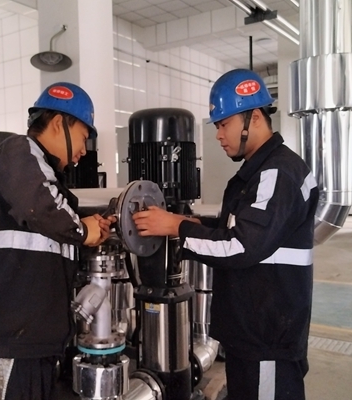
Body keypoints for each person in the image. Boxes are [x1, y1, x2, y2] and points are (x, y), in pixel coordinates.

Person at [133, 69, 319, 400]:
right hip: (251, 331)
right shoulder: (258, 172)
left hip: (266, 338)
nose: (218, 135)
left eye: (223, 124)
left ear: (254, 117)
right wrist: (189, 221)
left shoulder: (276, 173)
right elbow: (239, 229)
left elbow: (241, 246)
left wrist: (177, 227)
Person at [0, 82, 115, 400]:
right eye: (83, 137)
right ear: (58, 123)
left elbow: (51, 223)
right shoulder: (18, 150)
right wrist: (81, 230)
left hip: (33, 343)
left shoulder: (50, 181)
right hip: (7, 343)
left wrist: (89, 227)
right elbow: (39, 205)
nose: (83, 151)